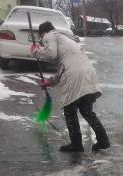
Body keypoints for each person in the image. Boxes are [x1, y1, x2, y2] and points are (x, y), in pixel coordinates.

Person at [30, 21, 110, 153]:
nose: (42, 40)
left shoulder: (49, 35)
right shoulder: (65, 40)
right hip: (87, 74)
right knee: (87, 111)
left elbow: (51, 54)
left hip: (75, 76)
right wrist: (50, 82)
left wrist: (36, 52)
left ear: (42, 33)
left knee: (70, 111)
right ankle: (103, 140)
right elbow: (64, 67)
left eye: (41, 37)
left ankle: (76, 144)